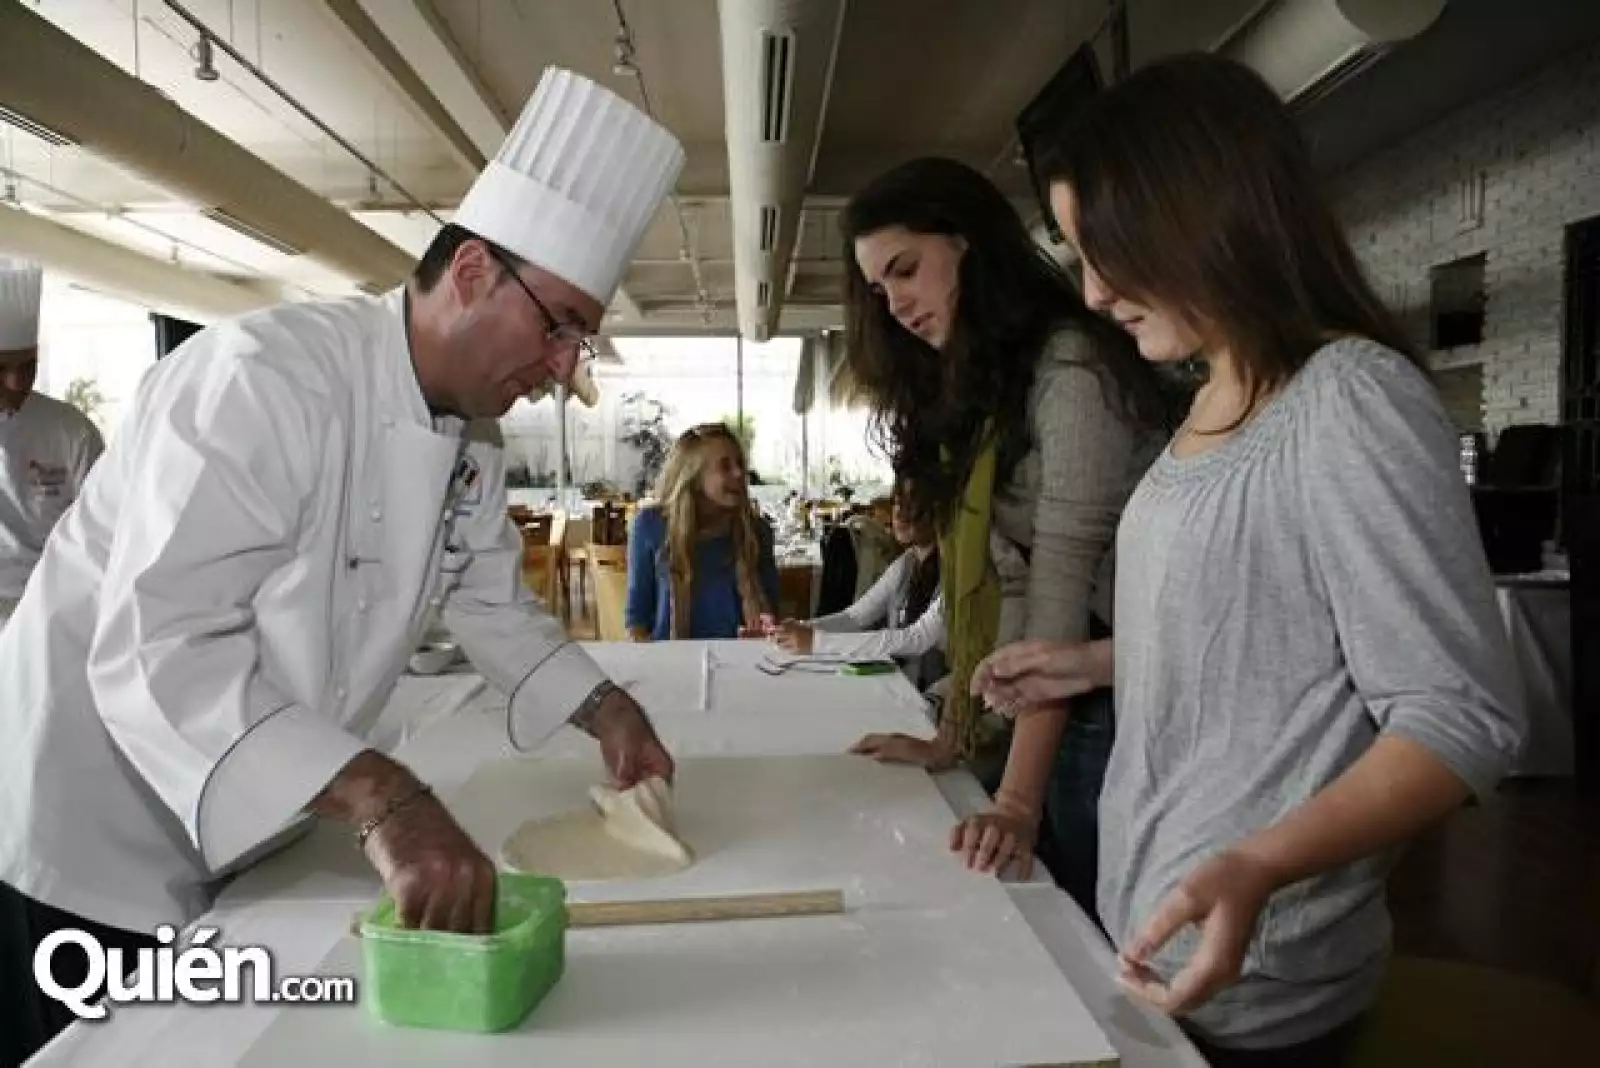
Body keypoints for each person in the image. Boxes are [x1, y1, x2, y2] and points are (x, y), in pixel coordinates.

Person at [0, 67, 682, 1066]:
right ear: (473, 272)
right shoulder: (262, 381)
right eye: (560, 324)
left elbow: (488, 595)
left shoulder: (469, 435)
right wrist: (384, 797)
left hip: (239, 828)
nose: (565, 368)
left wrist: (602, 706)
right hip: (80, 831)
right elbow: (160, 646)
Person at [973, 53, 1526, 1068]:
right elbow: (1265, 640)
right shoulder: (1208, 404)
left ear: (1197, 219)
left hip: (1256, 976)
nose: (1092, 293)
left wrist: (1259, 865)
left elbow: (1459, 716)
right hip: (1152, 942)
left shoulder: (1347, 398)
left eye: (1107, 253)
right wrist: (1091, 665)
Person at [836, 156, 1169, 903]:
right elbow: (998, 576)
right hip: (1058, 690)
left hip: (1119, 691)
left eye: (906, 269)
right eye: (880, 288)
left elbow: (1060, 581)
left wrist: (1016, 803)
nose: (894, 304)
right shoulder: (982, 385)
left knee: (1087, 912)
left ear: (968, 242)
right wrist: (951, 736)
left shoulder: (1071, 365)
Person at [0, 260, 104, 628]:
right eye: (1, 368)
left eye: (28, 366)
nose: (17, 382)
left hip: (53, 604)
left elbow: (105, 525)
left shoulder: (70, 430)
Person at [772, 475, 946, 693]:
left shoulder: (956, 575)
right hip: (904, 686)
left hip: (938, 694)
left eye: (912, 504)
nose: (898, 513)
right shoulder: (907, 563)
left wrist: (817, 643)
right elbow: (855, 617)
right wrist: (801, 627)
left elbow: (917, 639)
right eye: (897, 501)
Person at [625, 422, 780, 641]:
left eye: (740, 464)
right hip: (671, 662)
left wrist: (765, 630)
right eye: (725, 466)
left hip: (743, 661)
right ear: (694, 479)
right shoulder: (650, 526)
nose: (739, 473)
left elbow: (771, 614)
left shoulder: (756, 531)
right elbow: (636, 622)